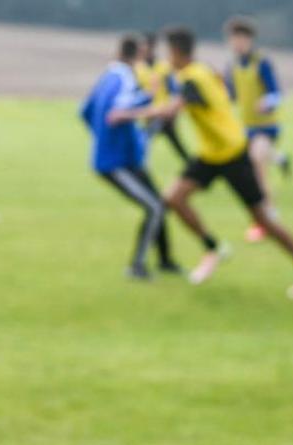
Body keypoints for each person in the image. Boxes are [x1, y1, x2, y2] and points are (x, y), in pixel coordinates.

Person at [108, 27, 293, 298]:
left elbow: (170, 112)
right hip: (210, 154)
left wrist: (126, 114)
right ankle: (213, 248)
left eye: (168, 51)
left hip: (233, 154)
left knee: (262, 219)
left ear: (176, 52)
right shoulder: (201, 70)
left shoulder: (192, 78)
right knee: (174, 198)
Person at [81, 35, 180, 280]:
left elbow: (85, 111)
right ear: (138, 54)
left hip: (128, 159)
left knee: (158, 203)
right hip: (115, 163)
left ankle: (166, 261)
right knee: (155, 207)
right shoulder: (125, 77)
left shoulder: (109, 76)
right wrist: (154, 109)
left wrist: (147, 97)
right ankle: (137, 267)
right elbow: (116, 115)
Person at [223, 16, 291, 243]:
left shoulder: (261, 62)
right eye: (234, 39)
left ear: (250, 40)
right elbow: (230, 95)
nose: (237, 43)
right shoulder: (232, 66)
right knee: (250, 166)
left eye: (241, 39)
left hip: (267, 126)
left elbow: (276, 94)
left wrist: (267, 102)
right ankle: (280, 159)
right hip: (246, 127)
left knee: (256, 164)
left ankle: (268, 217)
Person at [135, 33, 193, 166]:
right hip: (149, 113)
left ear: (152, 47)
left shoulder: (164, 66)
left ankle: (141, 165)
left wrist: (174, 111)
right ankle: (191, 165)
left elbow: (175, 90)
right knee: (172, 142)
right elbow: (137, 91)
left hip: (164, 113)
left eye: (146, 46)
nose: (144, 50)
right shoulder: (139, 68)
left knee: (145, 138)